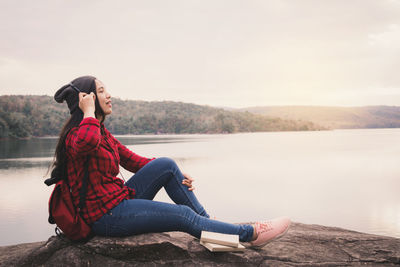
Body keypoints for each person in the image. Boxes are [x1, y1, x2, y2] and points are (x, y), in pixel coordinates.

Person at [50, 75, 291, 248]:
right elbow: (87, 141)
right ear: (86, 99)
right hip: (106, 218)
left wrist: (176, 173)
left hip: (120, 201)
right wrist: (89, 112)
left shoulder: (102, 133)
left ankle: (208, 224)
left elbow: (133, 161)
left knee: (165, 164)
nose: (109, 95)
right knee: (183, 216)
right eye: (101, 91)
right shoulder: (76, 136)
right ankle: (252, 234)